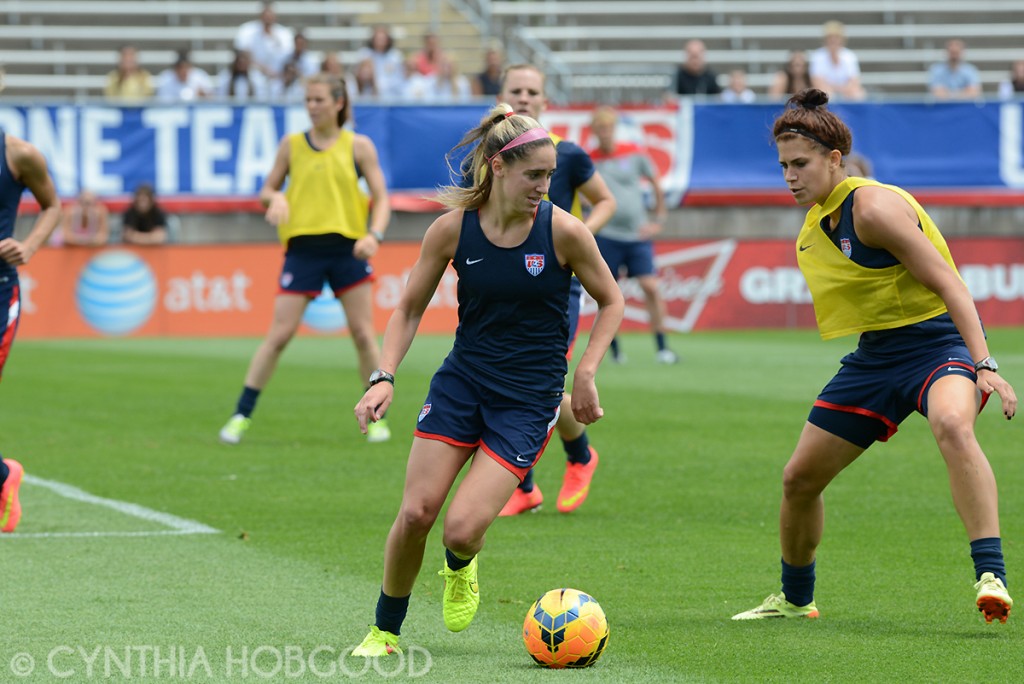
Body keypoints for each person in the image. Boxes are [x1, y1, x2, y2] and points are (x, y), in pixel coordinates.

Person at [732, 88, 1017, 624]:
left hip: (937, 345)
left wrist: (985, 366)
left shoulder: (875, 206)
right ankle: (796, 599)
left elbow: (953, 287)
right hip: (877, 357)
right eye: (783, 166)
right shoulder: (820, 222)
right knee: (798, 479)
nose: (790, 176)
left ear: (835, 159)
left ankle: (991, 574)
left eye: (801, 164)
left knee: (954, 425)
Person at [350, 103, 624, 657]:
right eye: (534, 175)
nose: (545, 186)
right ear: (498, 168)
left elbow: (612, 299)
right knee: (416, 512)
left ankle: (460, 566)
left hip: (528, 401)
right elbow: (407, 310)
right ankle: (384, 631)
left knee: (459, 530)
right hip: (462, 384)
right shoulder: (451, 230)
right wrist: (384, 377)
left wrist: (588, 370)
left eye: (549, 176)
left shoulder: (564, 231)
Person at [219, 73, 391, 446]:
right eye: (308, 100)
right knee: (279, 335)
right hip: (303, 250)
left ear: (338, 103)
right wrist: (275, 198)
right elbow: (267, 189)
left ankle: (375, 415)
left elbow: (382, 197)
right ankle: (241, 414)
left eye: (319, 100)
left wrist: (373, 235)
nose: (312, 107)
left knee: (363, 335)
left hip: (347, 248)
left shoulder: (358, 146)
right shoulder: (291, 145)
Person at [495, 64, 617, 516]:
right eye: (515, 90)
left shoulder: (567, 155)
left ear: (546, 102)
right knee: (511, 381)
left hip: (553, 286)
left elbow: (607, 200)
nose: (524, 98)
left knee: (533, 383)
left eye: (532, 91)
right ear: (500, 97)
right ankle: (538, 479)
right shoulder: (491, 160)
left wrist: (577, 236)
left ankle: (558, 467)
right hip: (501, 284)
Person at [0, 127, 63, 533]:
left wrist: (30, 246)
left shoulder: (20, 156)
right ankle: (4, 476)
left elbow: (53, 206)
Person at [588, 105, 678, 365]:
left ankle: (662, 348)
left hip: (637, 235)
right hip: (606, 235)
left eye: (608, 127)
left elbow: (655, 183)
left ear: (614, 129)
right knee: (608, 293)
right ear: (594, 132)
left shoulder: (634, 154)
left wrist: (658, 218)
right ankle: (614, 351)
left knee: (650, 287)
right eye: (600, 128)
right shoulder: (590, 159)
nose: (604, 133)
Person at [234, 0, 294, 80]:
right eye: (265, 14)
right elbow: (242, 55)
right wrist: (263, 69)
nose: (268, 17)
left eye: (270, 14)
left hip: (279, 77)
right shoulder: (247, 31)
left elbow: (288, 57)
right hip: (253, 76)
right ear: (260, 15)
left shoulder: (284, 34)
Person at [809, 21, 865, 101]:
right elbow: (817, 82)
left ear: (842, 40)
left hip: (846, 92)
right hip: (826, 91)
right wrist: (834, 90)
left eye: (836, 38)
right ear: (825, 40)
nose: (833, 41)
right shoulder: (817, 56)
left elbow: (854, 81)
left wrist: (842, 90)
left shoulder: (850, 56)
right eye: (830, 38)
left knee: (858, 94)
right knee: (823, 93)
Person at [355, 25, 405, 100]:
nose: (380, 41)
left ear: (388, 40)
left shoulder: (395, 56)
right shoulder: (365, 54)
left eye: (382, 38)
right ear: (372, 39)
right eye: (377, 38)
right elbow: (359, 78)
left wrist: (380, 86)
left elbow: (399, 80)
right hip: (368, 97)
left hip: (391, 98)